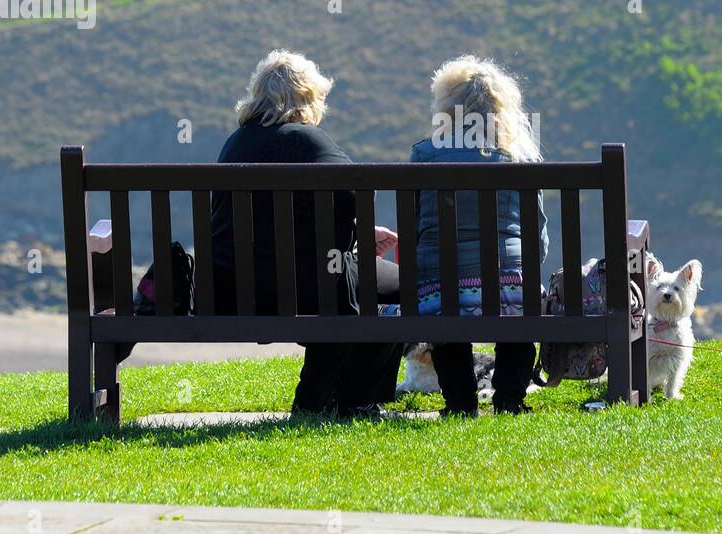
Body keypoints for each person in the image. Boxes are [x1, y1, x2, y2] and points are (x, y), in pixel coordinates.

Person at [209, 49, 402, 417]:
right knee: (396, 285)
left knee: (341, 281)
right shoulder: (308, 142)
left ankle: (322, 397)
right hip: (307, 288)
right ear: (308, 98)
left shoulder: (235, 143)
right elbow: (353, 195)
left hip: (232, 288)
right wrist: (357, 235)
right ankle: (351, 399)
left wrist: (358, 234)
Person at [410, 55, 547, 416]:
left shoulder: (425, 155)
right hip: (512, 286)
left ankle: (459, 402)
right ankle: (509, 398)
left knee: (447, 314)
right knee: (518, 307)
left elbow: (416, 227)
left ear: (446, 107)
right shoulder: (520, 157)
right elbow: (539, 235)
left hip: (441, 287)